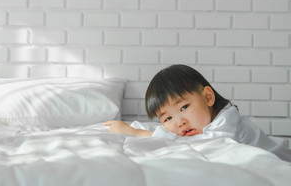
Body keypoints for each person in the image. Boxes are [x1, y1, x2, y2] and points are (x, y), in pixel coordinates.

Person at [104, 64, 291, 162]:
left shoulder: (227, 118)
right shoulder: (200, 124)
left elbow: (207, 145)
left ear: (208, 97)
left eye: (184, 107)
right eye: (167, 118)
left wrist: (139, 133)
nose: (179, 122)